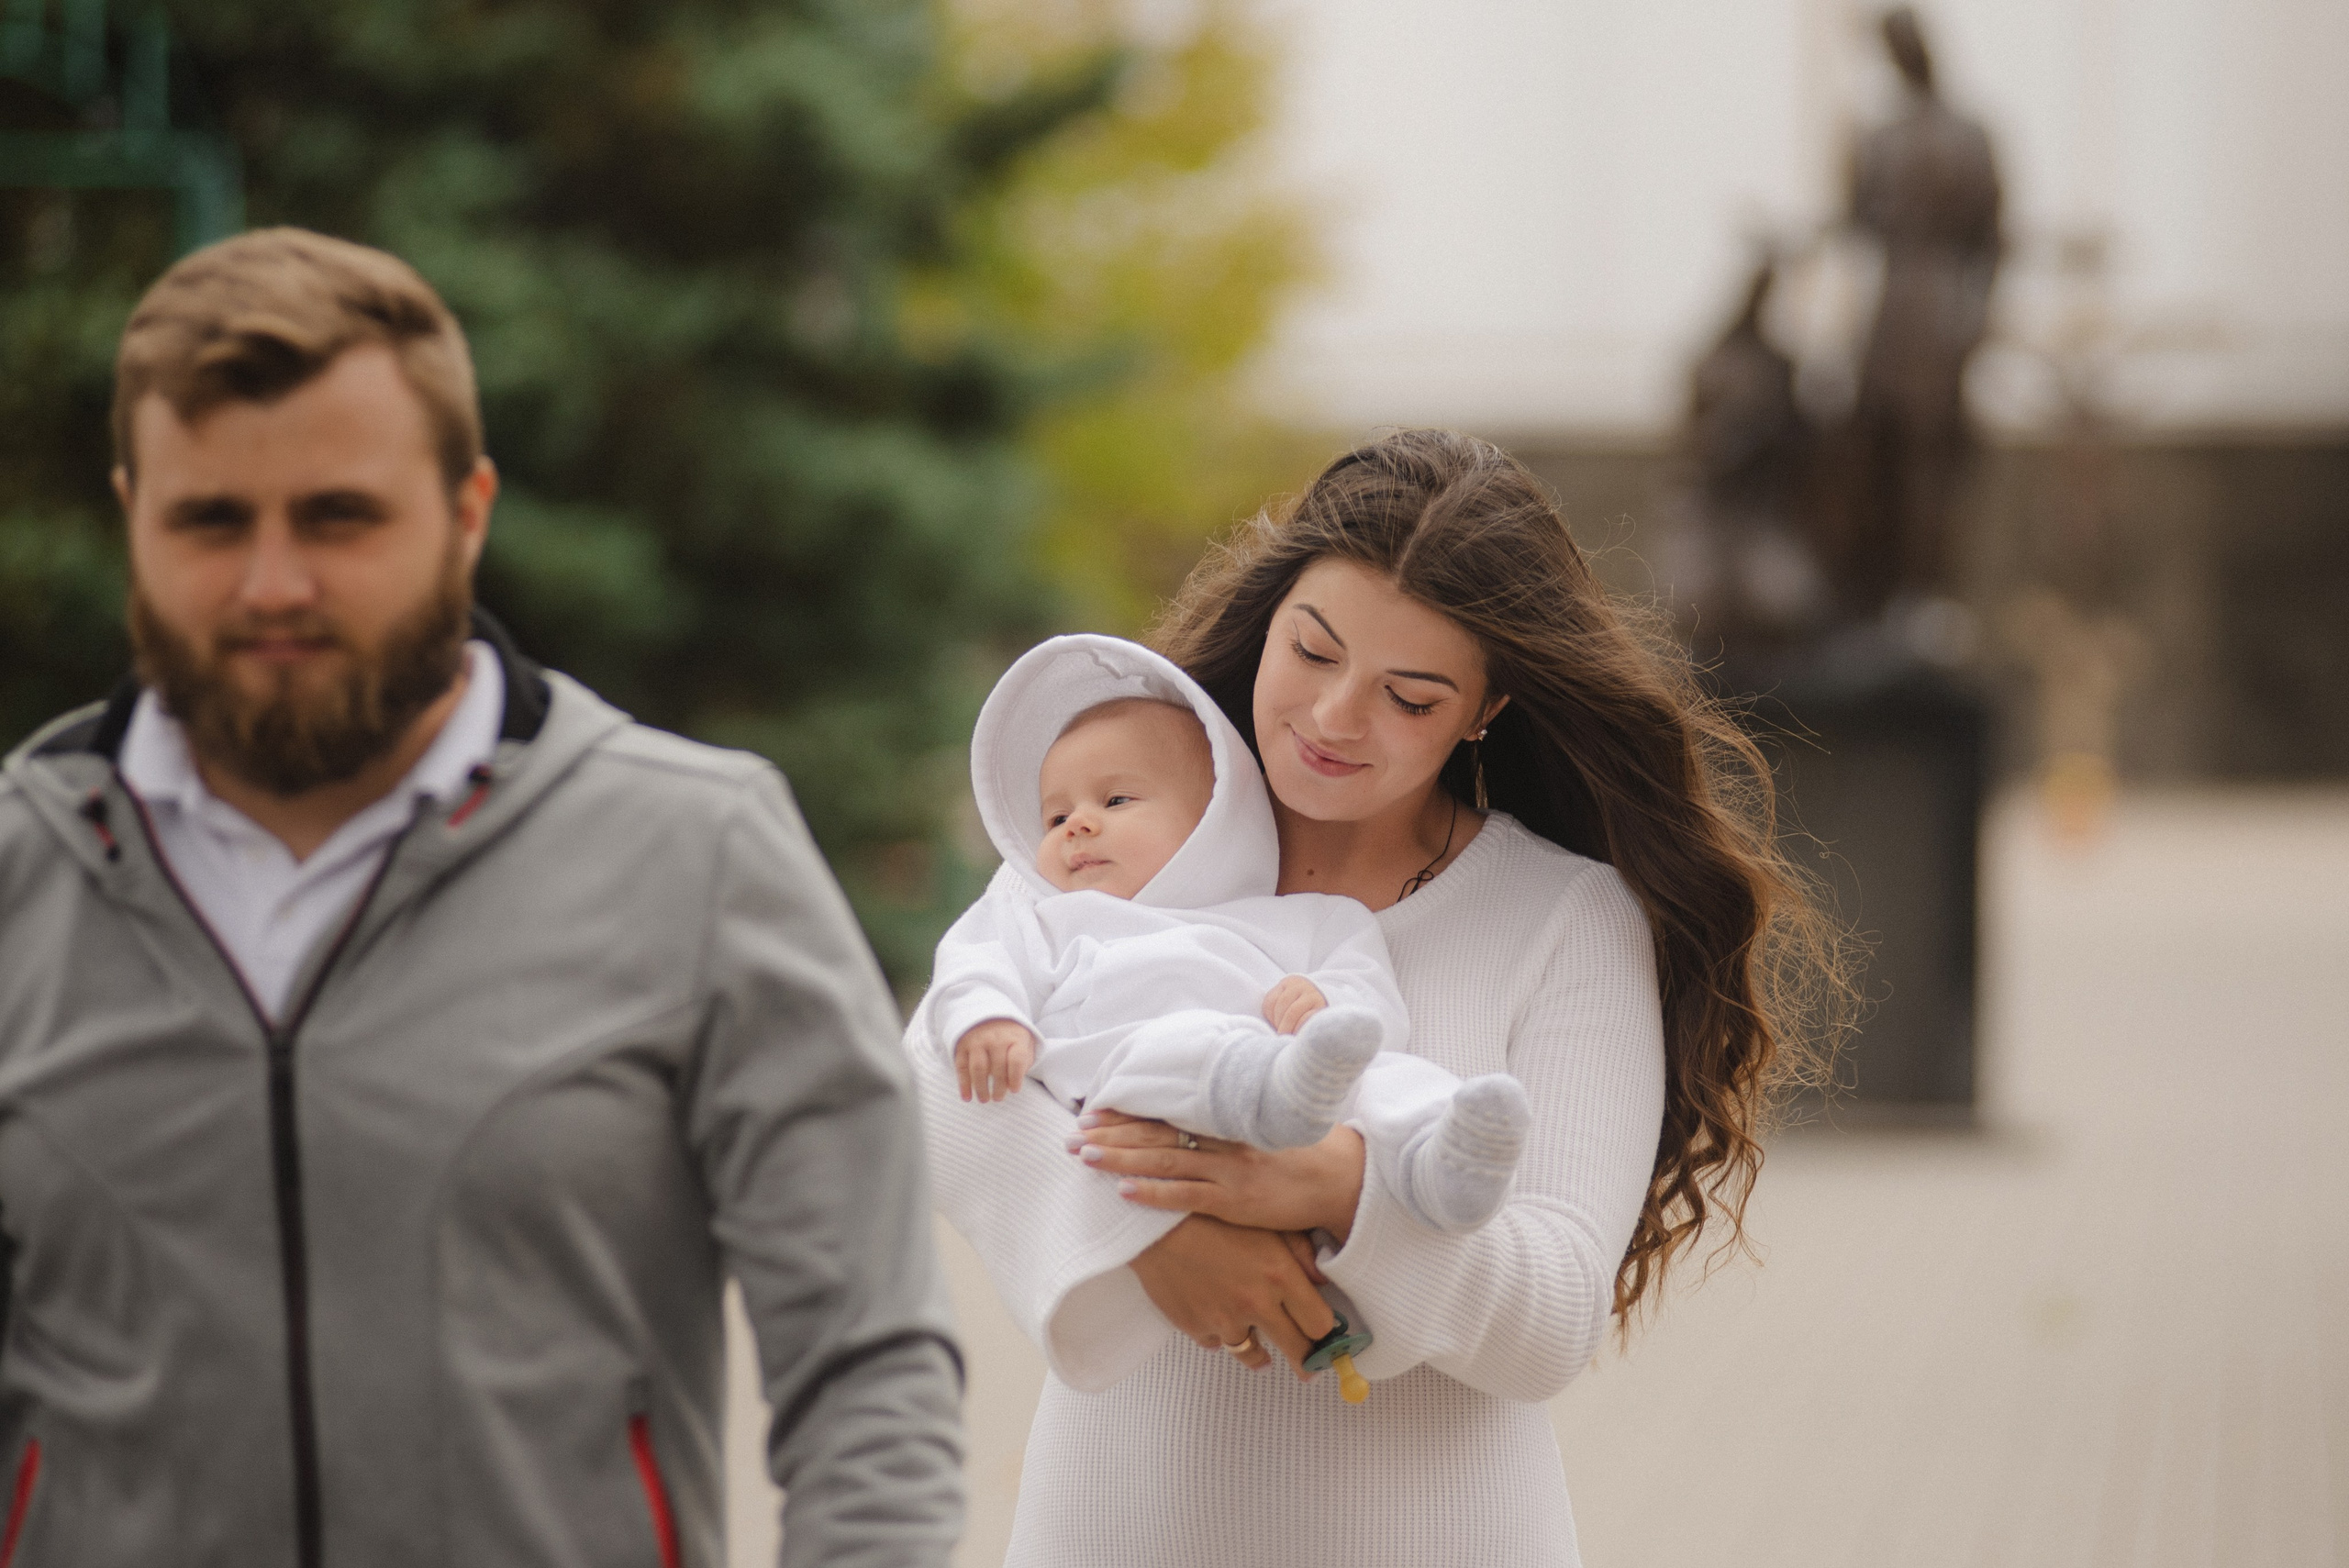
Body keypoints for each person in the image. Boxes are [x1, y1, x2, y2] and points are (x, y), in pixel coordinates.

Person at [0, 228, 962, 1567]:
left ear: (466, 510)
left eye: (338, 516)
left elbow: (869, 1374)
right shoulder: (20, 881)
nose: (273, 583)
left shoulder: (697, 852)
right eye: (211, 519)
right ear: (134, 515)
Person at [912, 430, 1847, 1563]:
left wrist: (1337, 1189)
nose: (1334, 716)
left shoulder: (1561, 917)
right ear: (1271, 618)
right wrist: (1143, 1229)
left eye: (1408, 695)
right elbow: (935, 1073)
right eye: (1311, 651)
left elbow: (1551, 1314)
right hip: (1118, 1524)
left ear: (1485, 708)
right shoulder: (1134, 823)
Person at [927, 633, 1531, 1238]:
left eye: (1116, 798)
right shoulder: (1048, 918)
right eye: (1055, 817)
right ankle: (1270, 1093)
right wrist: (988, 1017)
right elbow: (976, 958)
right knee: (1166, 1050)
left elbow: (1366, 990)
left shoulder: (1303, 916)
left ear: (1215, 820)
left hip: (1307, 1083)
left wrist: (1326, 1001)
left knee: (1390, 1076)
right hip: (1135, 1086)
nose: (1077, 824)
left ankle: (1444, 1160)